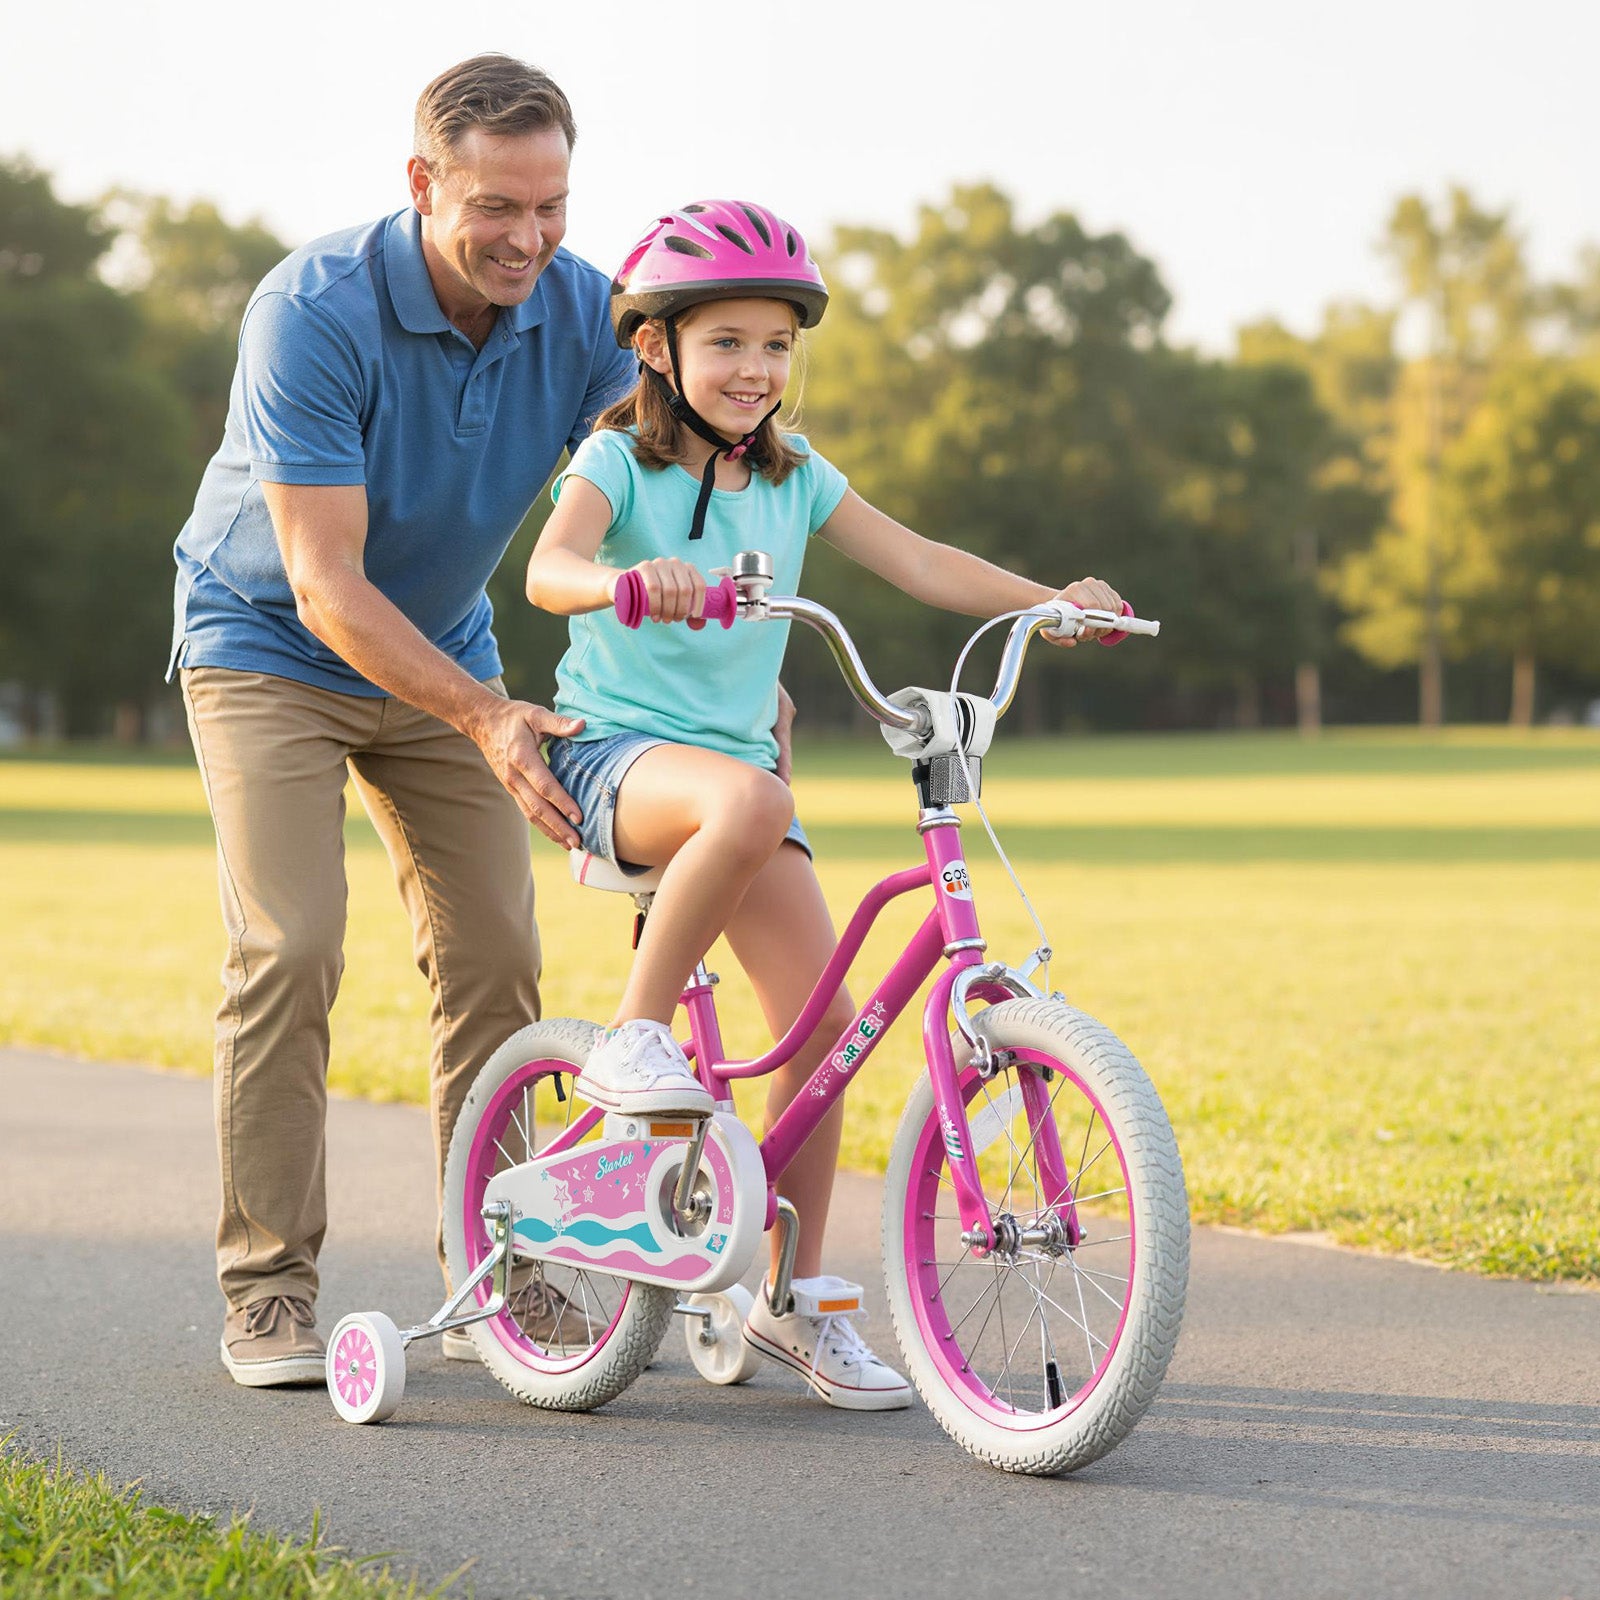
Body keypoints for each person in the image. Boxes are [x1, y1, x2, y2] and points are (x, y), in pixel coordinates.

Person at [526, 199, 1124, 1410]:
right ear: (655, 347)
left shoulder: (794, 477)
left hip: (737, 784)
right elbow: (548, 571)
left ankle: (785, 1297)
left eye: (776, 345)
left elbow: (920, 560)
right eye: (726, 341)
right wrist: (624, 582)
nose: (755, 368)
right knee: (751, 797)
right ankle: (633, 1038)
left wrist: (1048, 602)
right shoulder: (615, 461)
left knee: (821, 1035)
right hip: (615, 759)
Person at [170, 54, 647, 1389]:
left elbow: (663, 496)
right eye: (497, 206)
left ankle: (499, 1273)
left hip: (444, 649)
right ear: (422, 183)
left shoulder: (590, 313)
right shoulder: (311, 310)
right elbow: (324, 582)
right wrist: (488, 716)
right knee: (290, 944)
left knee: (497, 953)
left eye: (551, 205)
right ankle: (269, 1287)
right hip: (267, 644)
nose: (529, 239)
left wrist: (735, 649)